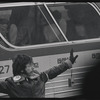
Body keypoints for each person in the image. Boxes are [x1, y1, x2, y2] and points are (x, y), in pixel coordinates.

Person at [0, 49, 78, 98]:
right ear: (21, 69)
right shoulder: (11, 84)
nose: (33, 67)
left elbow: (53, 71)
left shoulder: (39, 77)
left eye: (33, 64)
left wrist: (68, 63)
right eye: (29, 65)